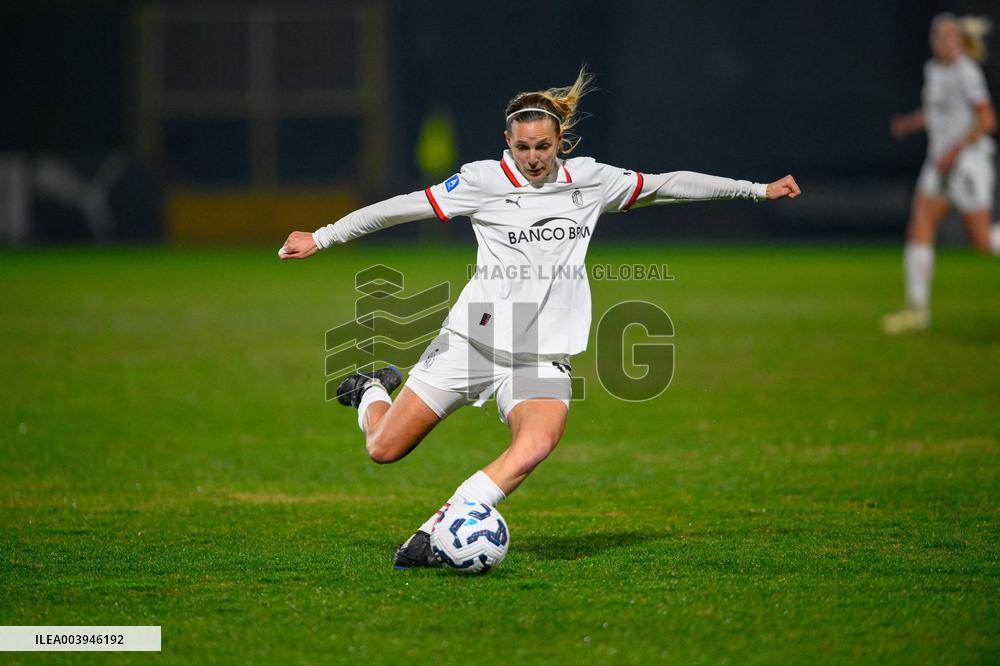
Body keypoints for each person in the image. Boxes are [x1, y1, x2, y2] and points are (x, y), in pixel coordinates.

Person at [278, 68, 801, 569]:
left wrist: (757, 189)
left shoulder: (591, 180)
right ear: (507, 142)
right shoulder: (481, 180)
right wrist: (322, 236)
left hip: (542, 350)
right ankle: (372, 389)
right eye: (523, 147)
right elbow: (400, 207)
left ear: (560, 142)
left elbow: (668, 184)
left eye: (543, 147)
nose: (533, 158)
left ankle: (439, 528)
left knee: (536, 444)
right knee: (383, 448)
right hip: (472, 340)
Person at [885, 14, 998, 334]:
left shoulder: (966, 72)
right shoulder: (933, 70)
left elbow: (987, 119)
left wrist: (955, 149)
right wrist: (910, 124)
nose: (942, 41)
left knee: (982, 242)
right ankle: (916, 310)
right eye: (937, 35)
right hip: (939, 163)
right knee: (920, 224)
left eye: (948, 36)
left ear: (959, 41)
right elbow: (937, 113)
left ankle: (916, 310)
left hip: (967, 162)